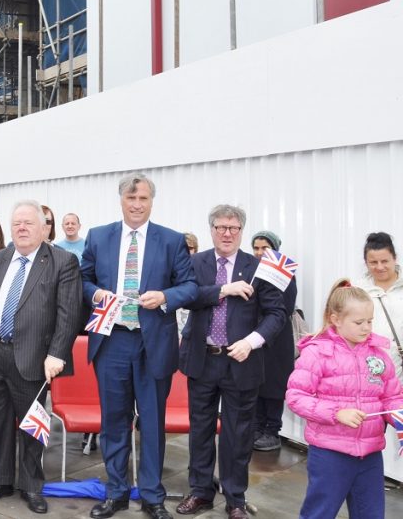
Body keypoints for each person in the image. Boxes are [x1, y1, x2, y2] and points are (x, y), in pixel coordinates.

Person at [81, 173, 197, 519]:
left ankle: (152, 496)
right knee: (113, 423)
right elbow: (83, 279)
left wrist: (164, 296)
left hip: (153, 344)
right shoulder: (99, 236)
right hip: (112, 341)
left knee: (152, 423)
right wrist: (96, 294)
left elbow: (190, 286)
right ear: (121, 200)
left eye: (143, 199)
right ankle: (116, 493)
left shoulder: (171, 240)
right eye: (131, 199)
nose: (136, 205)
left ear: (151, 202)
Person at [175, 206, 286, 519]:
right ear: (211, 229)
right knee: (200, 430)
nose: (227, 233)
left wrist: (251, 342)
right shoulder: (195, 263)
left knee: (238, 435)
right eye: (221, 227)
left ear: (241, 231)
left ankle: (235, 498)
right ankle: (200, 491)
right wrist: (223, 290)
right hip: (202, 359)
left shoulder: (259, 267)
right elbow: (187, 297)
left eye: (233, 228)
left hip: (242, 361)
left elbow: (277, 313)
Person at [0, 200, 83, 514]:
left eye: (28, 223)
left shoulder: (62, 262)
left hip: (35, 358)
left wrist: (57, 354)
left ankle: (31, 485)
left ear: (44, 228)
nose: (21, 228)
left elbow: (69, 313)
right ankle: (1, 480)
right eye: (16, 224)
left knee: (32, 426)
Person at [287, 279, 403, 518]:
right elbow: (296, 397)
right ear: (335, 319)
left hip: (370, 454)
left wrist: (399, 415)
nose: (366, 328)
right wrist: (336, 413)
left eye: (370, 321)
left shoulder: (379, 355)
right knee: (319, 513)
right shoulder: (317, 353)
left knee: (371, 514)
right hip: (330, 454)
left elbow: (392, 397)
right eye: (359, 322)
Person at [250, 230, 298, 452]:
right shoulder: (251, 271)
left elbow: (285, 307)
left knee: (274, 386)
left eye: (265, 248)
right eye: (256, 248)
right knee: (257, 383)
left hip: (277, 339)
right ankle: (257, 427)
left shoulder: (284, 274)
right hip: (255, 336)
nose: (260, 252)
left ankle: (272, 430)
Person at [356, 232, 403, 381]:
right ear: (366, 263)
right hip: (369, 372)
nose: (380, 267)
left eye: (384, 261)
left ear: (395, 258)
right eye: (373, 262)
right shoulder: (358, 291)